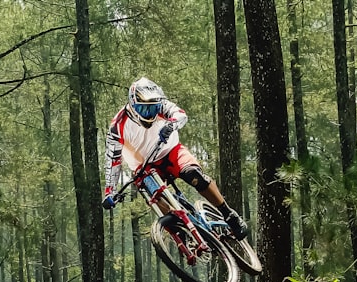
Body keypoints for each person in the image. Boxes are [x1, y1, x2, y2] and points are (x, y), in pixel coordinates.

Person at [102, 77, 248, 240]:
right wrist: (110, 191)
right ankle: (179, 229)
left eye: (154, 109)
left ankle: (229, 214)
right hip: (144, 167)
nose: (150, 115)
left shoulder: (162, 104)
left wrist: (171, 124)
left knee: (194, 175)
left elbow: (180, 114)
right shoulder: (118, 126)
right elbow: (112, 160)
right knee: (155, 197)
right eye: (145, 111)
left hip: (170, 150)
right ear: (133, 105)